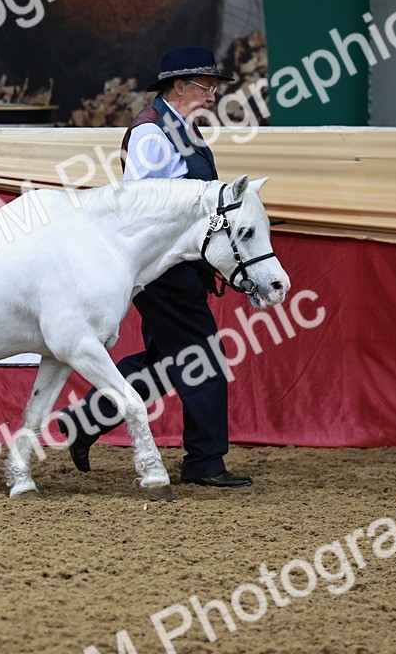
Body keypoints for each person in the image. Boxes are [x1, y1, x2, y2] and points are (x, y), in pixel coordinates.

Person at [56, 45, 252, 488]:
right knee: (204, 359)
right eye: (205, 86)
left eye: (213, 86)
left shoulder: (181, 128)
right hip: (163, 270)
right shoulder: (151, 133)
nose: (213, 94)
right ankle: (205, 461)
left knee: (162, 364)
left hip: (176, 264)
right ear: (178, 85)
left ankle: (86, 421)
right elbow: (143, 205)